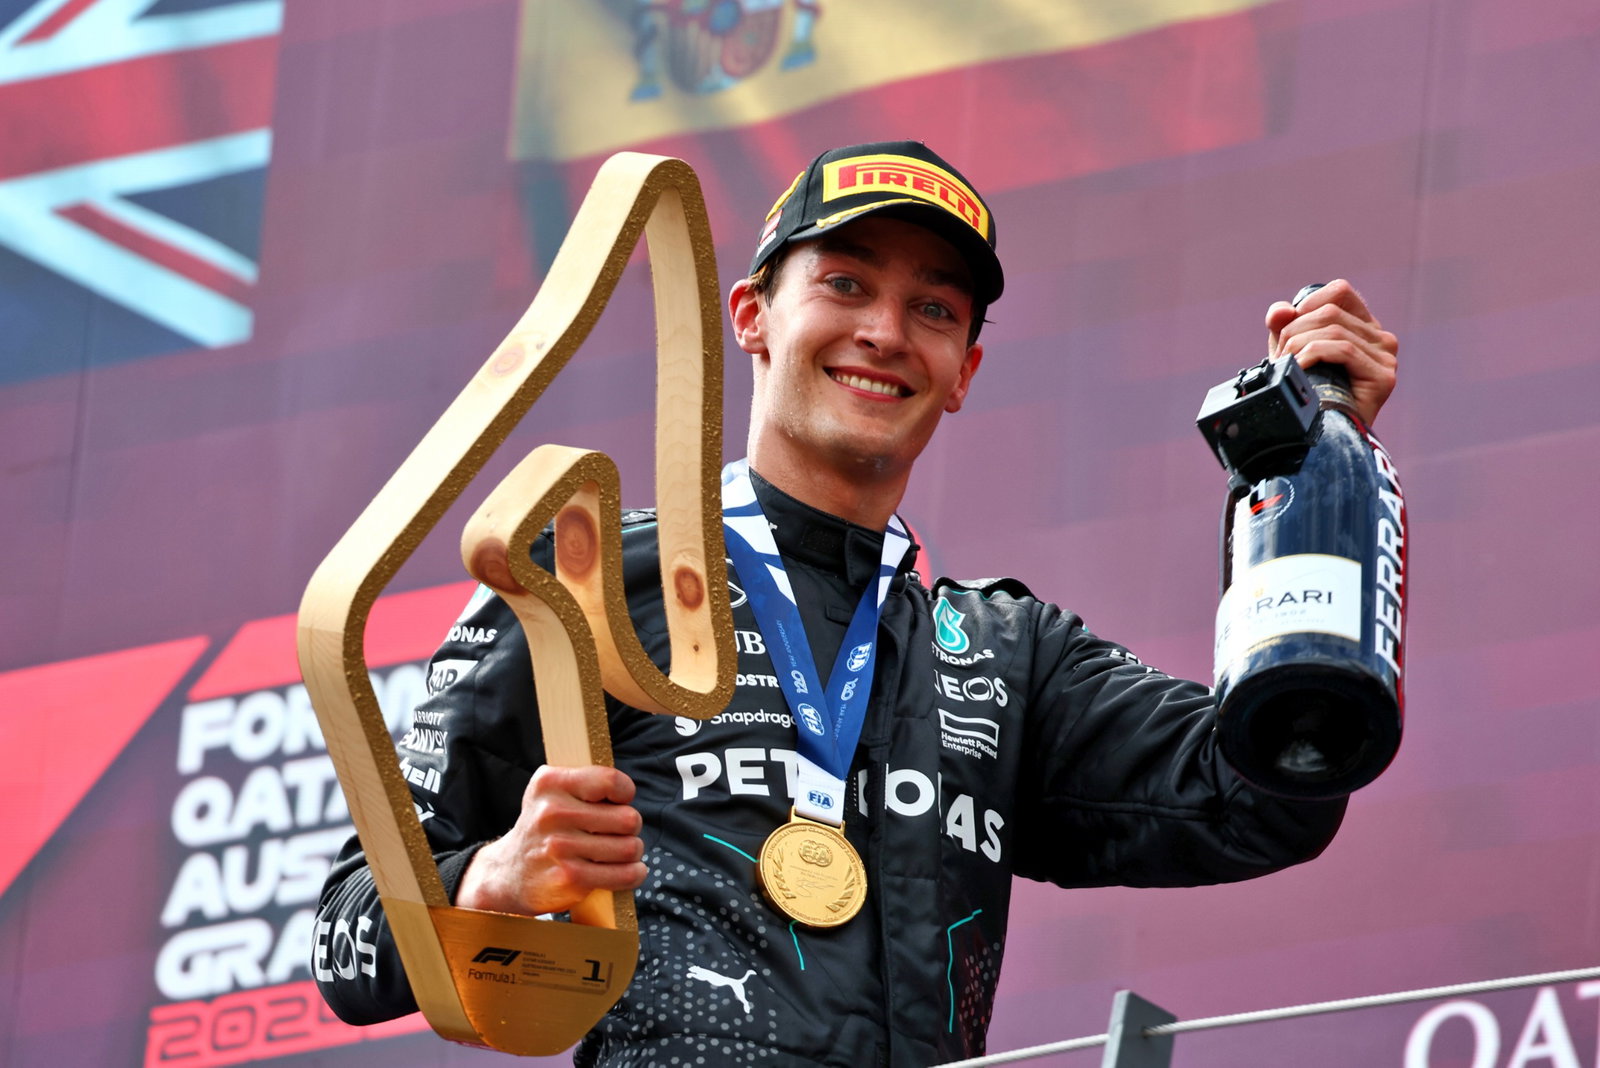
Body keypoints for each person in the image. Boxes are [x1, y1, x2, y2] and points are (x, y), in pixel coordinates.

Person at [315, 141, 1400, 1066]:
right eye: (844, 285)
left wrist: (1311, 473)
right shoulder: (588, 573)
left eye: (932, 307)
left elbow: (1265, 788)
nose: (885, 330)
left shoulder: (1005, 652)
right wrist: (493, 882)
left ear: (964, 369)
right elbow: (348, 945)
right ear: (750, 315)